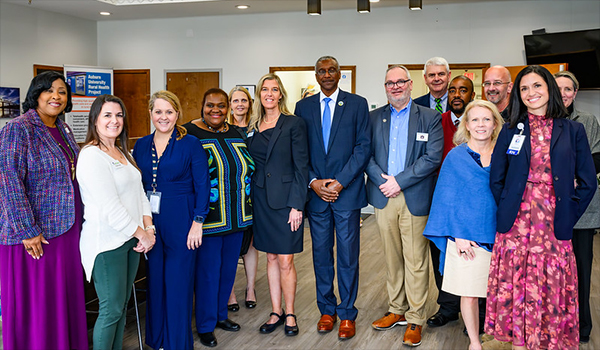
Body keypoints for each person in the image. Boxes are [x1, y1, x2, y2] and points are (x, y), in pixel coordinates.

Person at [486, 65, 597, 350]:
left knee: (551, 285)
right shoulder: (511, 129)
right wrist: (511, 203)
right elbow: (497, 178)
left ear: (550, 89)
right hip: (515, 224)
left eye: (537, 86)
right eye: (524, 88)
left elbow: (587, 181)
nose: (530, 93)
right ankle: (520, 344)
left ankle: (546, 340)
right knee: (518, 284)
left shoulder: (573, 130)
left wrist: (570, 212)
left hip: (554, 222)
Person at [0, 71, 88, 350]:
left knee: (61, 295)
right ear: (35, 94)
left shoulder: (63, 128)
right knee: (38, 301)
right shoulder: (18, 128)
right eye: (49, 90)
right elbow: (8, 182)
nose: (56, 96)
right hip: (35, 234)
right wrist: (28, 230)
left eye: (62, 92)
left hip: (66, 227)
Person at [294, 55, 371, 340]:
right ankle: (327, 310)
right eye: (321, 71)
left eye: (332, 70)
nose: (326, 74)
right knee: (321, 255)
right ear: (316, 75)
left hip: (347, 193)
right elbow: (299, 151)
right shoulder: (303, 107)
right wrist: (314, 182)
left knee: (348, 256)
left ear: (340, 74)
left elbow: (363, 148)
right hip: (316, 196)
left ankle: (347, 312)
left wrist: (340, 182)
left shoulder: (357, 104)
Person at [366, 65, 443, 347]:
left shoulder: (430, 118)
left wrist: (398, 181)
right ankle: (396, 309)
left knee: (416, 260)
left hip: (413, 196)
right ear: (385, 87)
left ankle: (416, 317)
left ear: (411, 85)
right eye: (390, 83)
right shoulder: (373, 118)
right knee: (391, 258)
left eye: (400, 82)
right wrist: (381, 181)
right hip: (383, 197)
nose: (395, 87)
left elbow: (432, 157)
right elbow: (366, 154)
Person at [77, 94, 156, 350]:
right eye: (107, 115)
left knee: (121, 308)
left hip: (131, 241)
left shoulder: (122, 152)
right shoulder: (91, 156)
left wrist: (149, 229)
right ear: (95, 120)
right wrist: (142, 235)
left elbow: (140, 195)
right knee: (110, 310)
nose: (114, 120)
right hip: (107, 243)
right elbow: (110, 207)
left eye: (119, 115)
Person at [423, 100, 504, 350]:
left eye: (487, 119)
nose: (481, 124)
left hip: (501, 234)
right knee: (468, 293)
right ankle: (474, 342)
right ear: (466, 125)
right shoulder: (455, 157)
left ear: (495, 124)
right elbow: (445, 199)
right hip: (465, 237)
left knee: (500, 293)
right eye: (475, 120)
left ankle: (499, 337)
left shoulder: (505, 154)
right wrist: (457, 235)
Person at [133, 90, 210, 350]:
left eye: (169, 111)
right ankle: (157, 340)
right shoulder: (141, 145)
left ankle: (177, 343)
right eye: (158, 111)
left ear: (177, 114)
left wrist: (198, 222)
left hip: (183, 219)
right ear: (151, 114)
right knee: (155, 280)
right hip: (150, 220)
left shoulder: (191, 144)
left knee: (178, 282)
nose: (163, 117)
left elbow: (203, 185)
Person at [184, 88, 254, 348]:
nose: (216, 110)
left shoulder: (236, 133)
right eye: (210, 105)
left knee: (227, 272)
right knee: (207, 274)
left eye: (221, 106)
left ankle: (221, 316)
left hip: (237, 217)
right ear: (202, 106)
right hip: (208, 220)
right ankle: (204, 324)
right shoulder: (189, 134)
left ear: (228, 108)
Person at [246, 74, 309, 336]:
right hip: (261, 200)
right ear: (259, 94)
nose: (269, 93)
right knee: (270, 257)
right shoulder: (252, 125)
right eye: (264, 89)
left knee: (285, 260)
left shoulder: (293, 123)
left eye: (274, 89)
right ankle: (275, 311)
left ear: (281, 94)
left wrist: (297, 205)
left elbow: (301, 166)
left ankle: (291, 312)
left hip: (286, 202)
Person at [554, 71, 600, 344]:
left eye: (569, 89)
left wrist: (569, 176)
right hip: (549, 209)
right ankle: (556, 320)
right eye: (558, 88)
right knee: (554, 269)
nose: (563, 94)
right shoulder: (540, 121)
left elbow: (596, 158)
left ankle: (582, 326)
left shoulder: (588, 121)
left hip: (581, 206)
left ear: (575, 92)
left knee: (581, 267)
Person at [427, 75, 476, 331]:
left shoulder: (479, 122)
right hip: (441, 200)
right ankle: (448, 307)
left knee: (473, 255)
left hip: (472, 203)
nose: (457, 95)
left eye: (463, 90)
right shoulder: (438, 121)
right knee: (441, 255)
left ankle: (477, 310)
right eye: (453, 90)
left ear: (472, 95)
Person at [226, 86, 258, 312]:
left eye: (243, 100)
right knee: (230, 243)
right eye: (235, 100)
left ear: (249, 103)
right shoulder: (223, 129)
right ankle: (230, 292)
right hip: (230, 194)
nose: (239, 104)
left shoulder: (257, 127)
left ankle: (250, 288)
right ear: (229, 104)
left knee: (252, 243)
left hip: (254, 191)